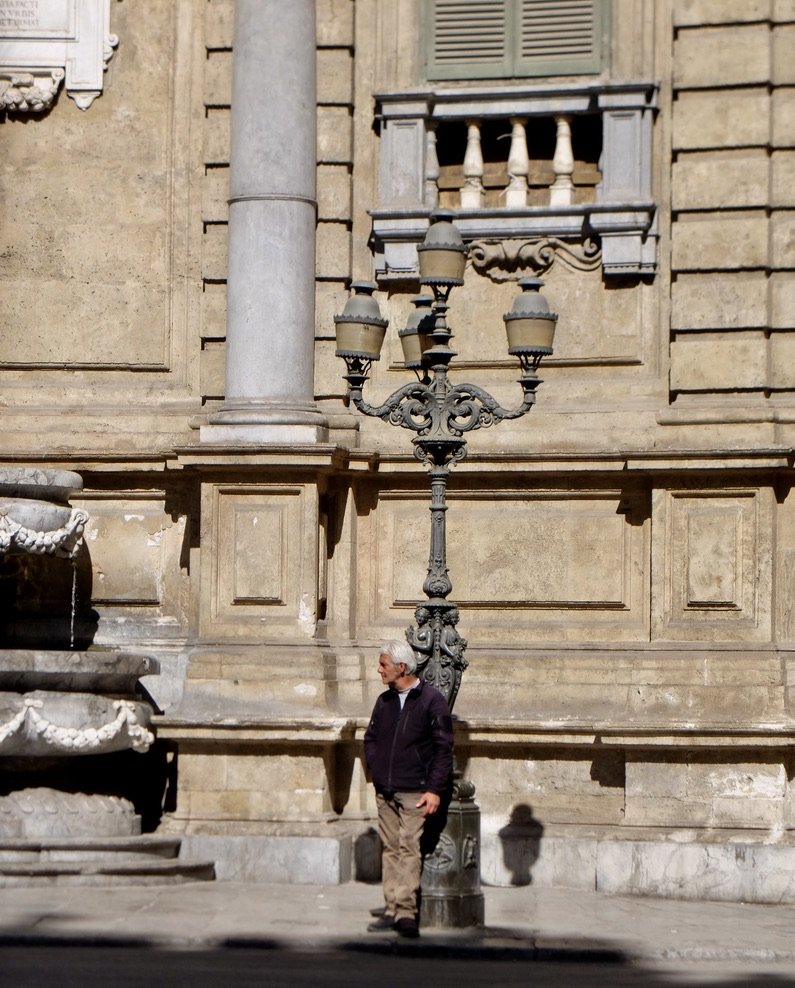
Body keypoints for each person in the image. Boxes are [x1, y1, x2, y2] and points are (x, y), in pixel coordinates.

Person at [363, 639, 454, 938]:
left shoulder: (431, 700)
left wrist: (434, 789)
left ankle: (405, 913)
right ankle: (391, 909)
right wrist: (375, 768)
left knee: (408, 848)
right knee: (390, 848)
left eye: (383, 665)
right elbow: (371, 737)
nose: (379, 670)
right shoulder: (384, 701)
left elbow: (444, 748)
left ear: (401, 668)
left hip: (415, 790)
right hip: (386, 788)